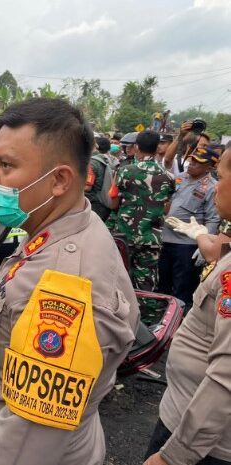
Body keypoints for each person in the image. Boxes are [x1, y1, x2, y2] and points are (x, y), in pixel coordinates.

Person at [0, 98, 139, 465]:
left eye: (6, 166)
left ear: (60, 180)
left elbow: (26, 446)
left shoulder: (69, 286)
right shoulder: (51, 225)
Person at [143, 146, 231, 465]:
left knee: (179, 293)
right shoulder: (182, 180)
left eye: (220, 176)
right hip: (186, 414)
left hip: (198, 440)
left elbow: (226, 378)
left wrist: (174, 456)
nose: (216, 185)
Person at [111, 130, 175, 291]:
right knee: (146, 284)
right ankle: (145, 315)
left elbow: (113, 202)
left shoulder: (125, 171)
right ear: (156, 148)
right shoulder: (169, 177)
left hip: (125, 236)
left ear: (137, 147)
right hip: (151, 239)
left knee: (118, 279)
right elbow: (167, 209)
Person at [158, 147, 219, 309]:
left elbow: (213, 219)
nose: (191, 164)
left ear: (209, 167)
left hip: (187, 246)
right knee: (162, 284)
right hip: (165, 240)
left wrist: (204, 245)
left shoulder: (212, 188)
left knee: (182, 288)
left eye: (197, 163)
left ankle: (177, 323)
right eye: (191, 160)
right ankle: (160, 319)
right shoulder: (179, 178)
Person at [85, 136, 113, 221]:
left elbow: (87, 187)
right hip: (103, 203)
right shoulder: (105, 158)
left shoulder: (91, 162)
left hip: (94, 206)